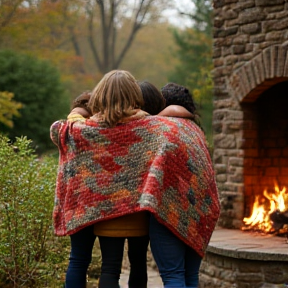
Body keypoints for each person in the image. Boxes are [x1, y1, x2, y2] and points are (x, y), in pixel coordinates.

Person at [50, 70, 220, 288]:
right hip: (135, 211)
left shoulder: (80, 129)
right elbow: (177, 125)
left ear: (100, 95)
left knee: (86, 262)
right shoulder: (152, 127)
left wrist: (77, 112)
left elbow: (57, 129)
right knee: (134, 265)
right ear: (134, 96)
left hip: (86, 204)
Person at [60, 90, 150, 288]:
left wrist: (75, 113)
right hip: (105, 207)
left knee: (78, 260)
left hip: (79, 204)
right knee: (110, 266)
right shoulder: (103, 130)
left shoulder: (73, 129)